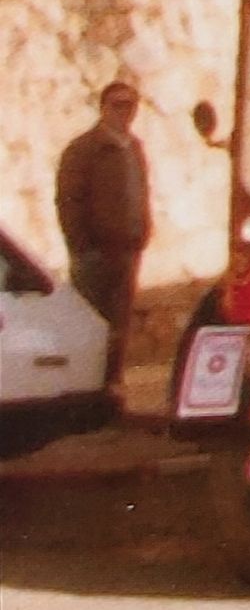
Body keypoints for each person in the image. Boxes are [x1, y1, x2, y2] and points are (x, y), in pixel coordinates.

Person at [55, 79, 152, 398]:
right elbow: (69, 200)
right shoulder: (84, 149)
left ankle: (112, 385)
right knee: (91, 322)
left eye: (130, 105)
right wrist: (81, 245)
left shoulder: (134, 147)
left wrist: (144, 229)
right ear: (103, 108)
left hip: (128, 247)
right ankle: (85, 388)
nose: (124, 112)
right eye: (117, 105)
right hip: (95, 251)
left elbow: (140, 193)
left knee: (120, 322)